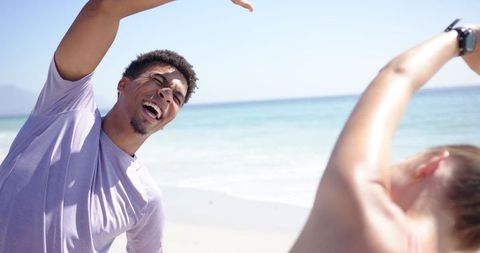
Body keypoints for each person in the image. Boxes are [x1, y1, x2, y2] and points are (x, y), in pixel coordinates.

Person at [0, 0, 253, 252]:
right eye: (158, 80)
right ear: (122, 85)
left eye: (176, 97)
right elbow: (103, 8)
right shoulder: (65, 107)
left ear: (168, 121)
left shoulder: (144, 197)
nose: (166, 95)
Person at [289, 21, 480, 253]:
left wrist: (462, 39)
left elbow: (399, 76)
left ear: (430, 165)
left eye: (407, 159)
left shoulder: (368, 218)